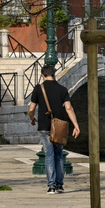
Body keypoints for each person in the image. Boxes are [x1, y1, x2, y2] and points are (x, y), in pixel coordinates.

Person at [28, 62, 79, 194]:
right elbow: (69, 108)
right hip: (59, 126)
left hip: (45, 126)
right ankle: (60, 185)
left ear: (43, 75)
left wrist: (32, 118)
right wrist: (76, 125)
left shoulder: (38, 89)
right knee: (59, 155)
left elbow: (31, 108)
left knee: (49, 155)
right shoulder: (62, 89)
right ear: (54, 74)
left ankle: (51, 186)